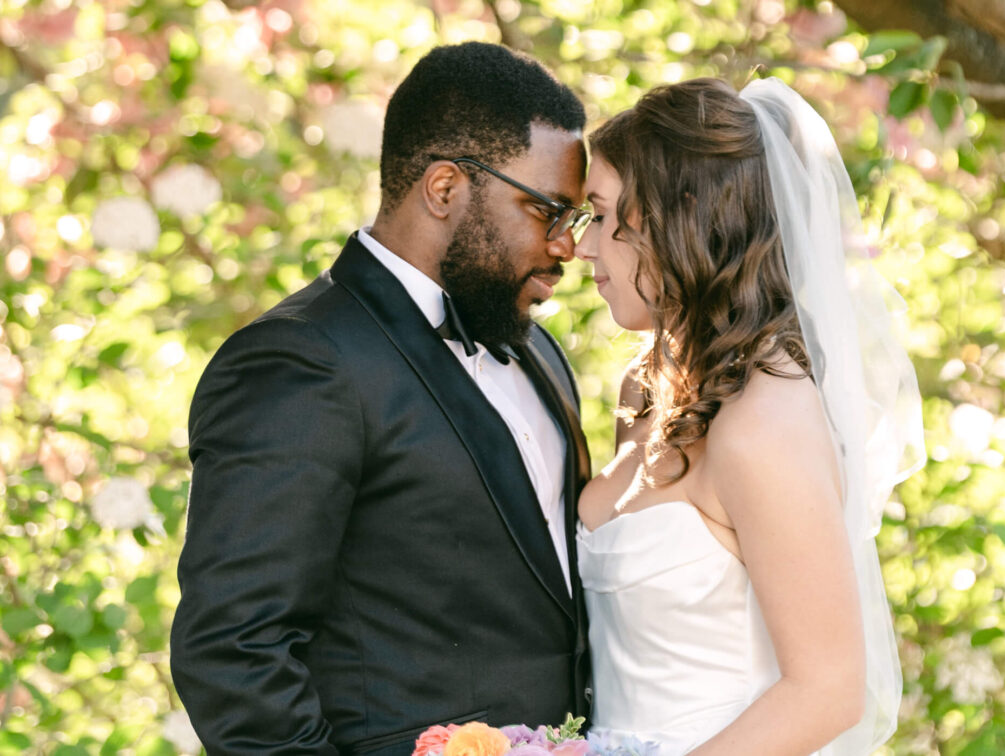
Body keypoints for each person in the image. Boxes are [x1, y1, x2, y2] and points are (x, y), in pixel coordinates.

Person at [170, 42, 594, 755]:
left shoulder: (537, 350)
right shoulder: (300, 362)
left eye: (575, 220)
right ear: (446, 189)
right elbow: (233, 651)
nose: (565, 248)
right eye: (547, 211)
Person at [574, 78, 926, 755]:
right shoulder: (646, 392)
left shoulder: (765, 423)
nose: (584, 248)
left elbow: (827, 690)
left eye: (600, 214)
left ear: (679, 217)